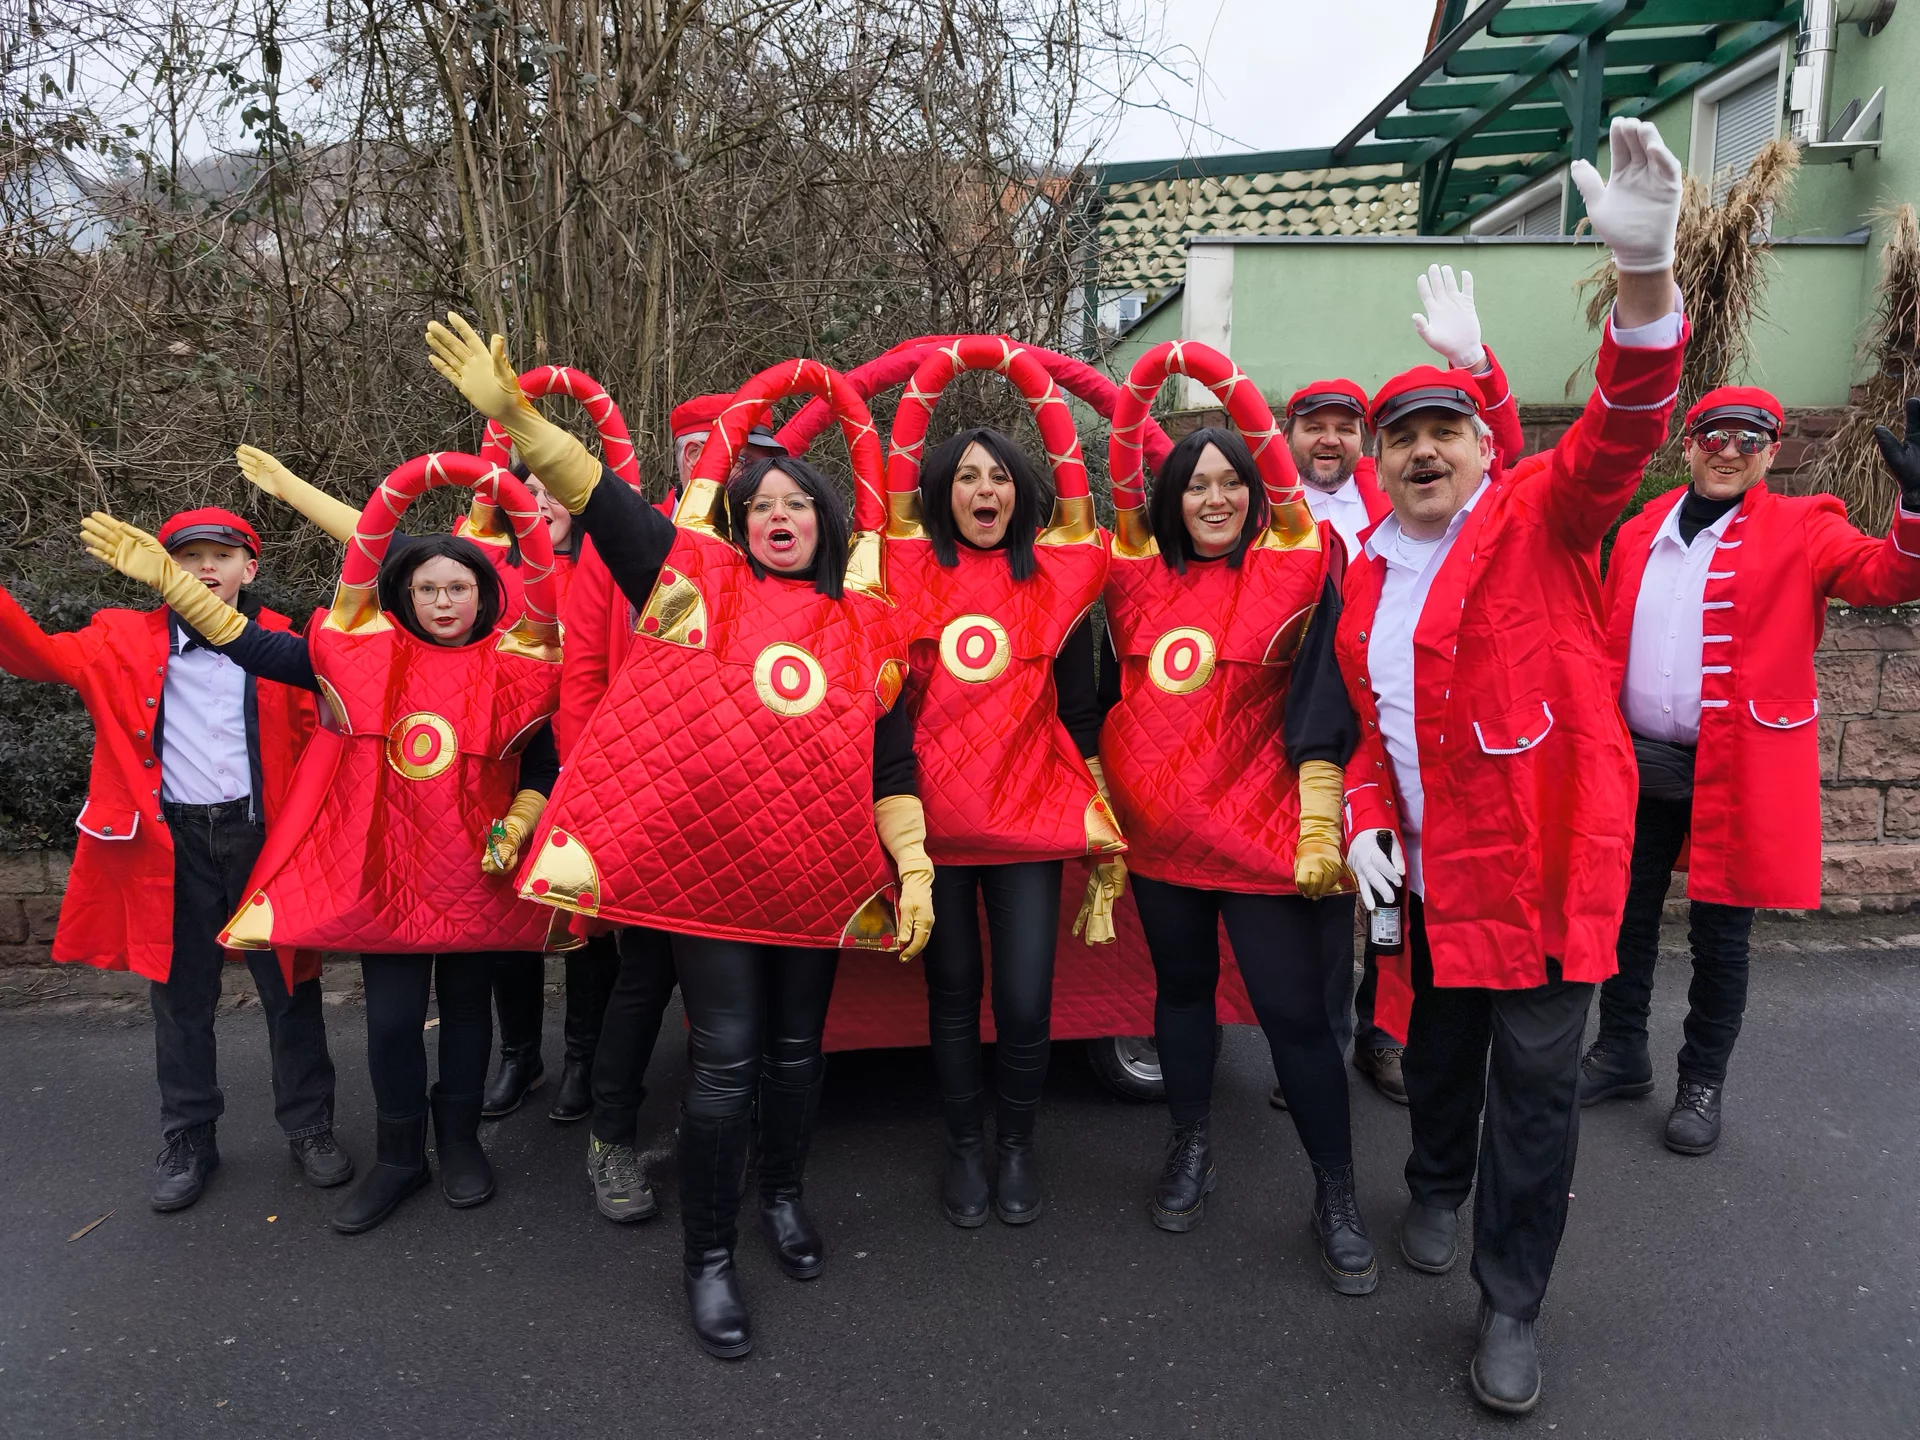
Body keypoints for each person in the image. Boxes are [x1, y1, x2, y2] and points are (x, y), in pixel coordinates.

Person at [427, 315, 934, 1360]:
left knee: (798, 1057)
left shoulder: (867, 623)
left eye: (798, 501)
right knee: (726, 1065)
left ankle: (781, 1196)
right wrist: (523, 421)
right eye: (763, 504)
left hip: (818, 879)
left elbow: (890, 766)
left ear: (828, 518)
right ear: (738, 522)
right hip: (714, 880)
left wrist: (915, 864)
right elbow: (601, 503)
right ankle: (708, 1258)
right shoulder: (697, 581)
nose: (780, 515)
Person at [1334, 117, 1686, 1414]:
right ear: (1378, 465)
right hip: (1430, 884)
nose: (1424, 449)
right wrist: (1364, 816)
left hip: (1540, 883)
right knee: (1435, 1059)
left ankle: (1511, 1304)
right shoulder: (1364, 577)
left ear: (1486, 446)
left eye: (1446, 429)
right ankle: (1434, 1183)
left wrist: (1644, 278)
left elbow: (1624, 425)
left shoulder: (1544, 518)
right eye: (1401, 438)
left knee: (1533, 1101)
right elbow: (1367, 727)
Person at [82, 464, 565, 1237]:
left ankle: (461, 1143)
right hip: (387, 878)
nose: (444, 601)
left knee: (469, 1017)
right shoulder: (361, 658)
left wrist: (520, 819)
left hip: (476, 877)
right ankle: (400, 1158)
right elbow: (251, 646)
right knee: (392, 1023)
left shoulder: (518, 668)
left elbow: (542, 763)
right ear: (405, 594)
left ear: (485, 594)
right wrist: (175, 586)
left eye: (459, 588)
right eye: (428, 589)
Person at [1096, 351, 1393, 1293]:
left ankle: (1335, 1191)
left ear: (1258, 493)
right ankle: (1190, 1143)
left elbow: (1334, 694)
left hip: (1267, 834)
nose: (1214, 498)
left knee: (1296, 1018)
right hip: (1162, 838)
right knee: (1180, 996)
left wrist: (1326, 818)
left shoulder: (1301, 566)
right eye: (1195, 485)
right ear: (1171, 499)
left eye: (1231, 482)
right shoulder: (1134, 576)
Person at [1583, 390, 1920, 1153]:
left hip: (1738, 768)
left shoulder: (1807, 525)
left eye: (1748, 438)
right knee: (1623, 918)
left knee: (1719, 936)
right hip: (1636, 762)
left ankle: (1702, 1081)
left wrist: (1915, 508)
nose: (1728, 450)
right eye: (1714, 435)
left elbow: (1886, 579)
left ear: (1771, 451)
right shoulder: (1639, 529)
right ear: (1689, 444)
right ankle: (1621, 1051)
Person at [0, 508, 343, 1212]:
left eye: (222, 555)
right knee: (181, 998)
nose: (205, 568)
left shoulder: (289, 646)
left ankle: (310, 1126)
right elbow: (32, 656)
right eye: (189, 557)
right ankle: (189, 1138)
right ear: (161, 570)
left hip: (266, 841)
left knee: (291, 989)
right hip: (172, 842)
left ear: (250, 567)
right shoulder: (118, 638)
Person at [1280, 269, 1524, 1110]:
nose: (1329, 440)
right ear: (1289, 434)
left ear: (1364, 444)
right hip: (1303, 713)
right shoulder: (1264, 503)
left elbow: (1509, 484)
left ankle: (1384, 1036)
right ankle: (1320, 1047)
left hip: (1392, 710)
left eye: (1344, 427)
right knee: (1325, 892)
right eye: (1314, 425)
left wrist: (1478, 367)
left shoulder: (1397, 505)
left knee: (1393, 898)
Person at [888, 403, 1111, 1229]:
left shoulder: (1053, 583)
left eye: (1000, 477)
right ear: (941, 494)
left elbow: (1079, 711)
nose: (985, 489)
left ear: (1021, 494)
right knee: (953, 995)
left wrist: (1099, 802)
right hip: (935, 830)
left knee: (1022, 1000)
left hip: (1028, 823)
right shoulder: (906, 576)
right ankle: (962, 1145)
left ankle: (1015, 1143)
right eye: (967, 477)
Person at [574, 395, 788, 1222]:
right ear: (681, 456)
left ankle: (735, 1130)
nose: (727, 467)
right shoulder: (626, 535)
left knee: (751, 979)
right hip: (651, 790)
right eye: (707, 450)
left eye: (744, 454)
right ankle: (611, 1139)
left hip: (756, 799)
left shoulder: (773, 538)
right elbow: (583, 675)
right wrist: (595, 792)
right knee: (646, 975)